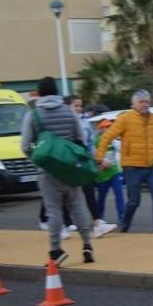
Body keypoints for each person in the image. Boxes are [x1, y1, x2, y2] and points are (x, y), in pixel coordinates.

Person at [20, 77, 95, 265]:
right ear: (56, 91)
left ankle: (56, 251)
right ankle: (87, 245)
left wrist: (39, 155)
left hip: (47, 170)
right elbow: (81, 139)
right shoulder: (70, 113)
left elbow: (26, 145)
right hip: (71, 168)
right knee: (78, 206)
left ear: (40, 93)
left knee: (53, 210)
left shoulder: (34, 115)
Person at [95, 90, 153, 233]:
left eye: (147, 101)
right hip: (132, 168)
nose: (145, 104)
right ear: (133, 104)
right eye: (141, 102)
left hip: (151, 167)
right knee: (134, 201)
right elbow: (107, 137)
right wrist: (99, 158)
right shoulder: (125, 119)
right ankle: (125, 226)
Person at [64, 94, 117, 238]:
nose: (79, 109)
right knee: (66, 193)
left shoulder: (84, 121)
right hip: (67, 162)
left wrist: (98, 160)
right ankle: (64, 223)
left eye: (80, 106)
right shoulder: (63, 121)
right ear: (67, 106)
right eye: (75, 105)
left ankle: (97, 223)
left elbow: (90, 143)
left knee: (88, 191)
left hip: (83, 161)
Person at [93, 119, 125, 224]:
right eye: (105, 127)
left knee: (119, 194)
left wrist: (117, 143)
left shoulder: (114, 139)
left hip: (114, 170)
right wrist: (101, 162)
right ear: (101, 129)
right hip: (102, 172)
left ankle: (122, 216)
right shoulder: (97, 140)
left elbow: (121, 150)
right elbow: (93, 155)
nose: (108, 129)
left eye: (110, 127)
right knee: (101, 196)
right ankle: (99, 218)